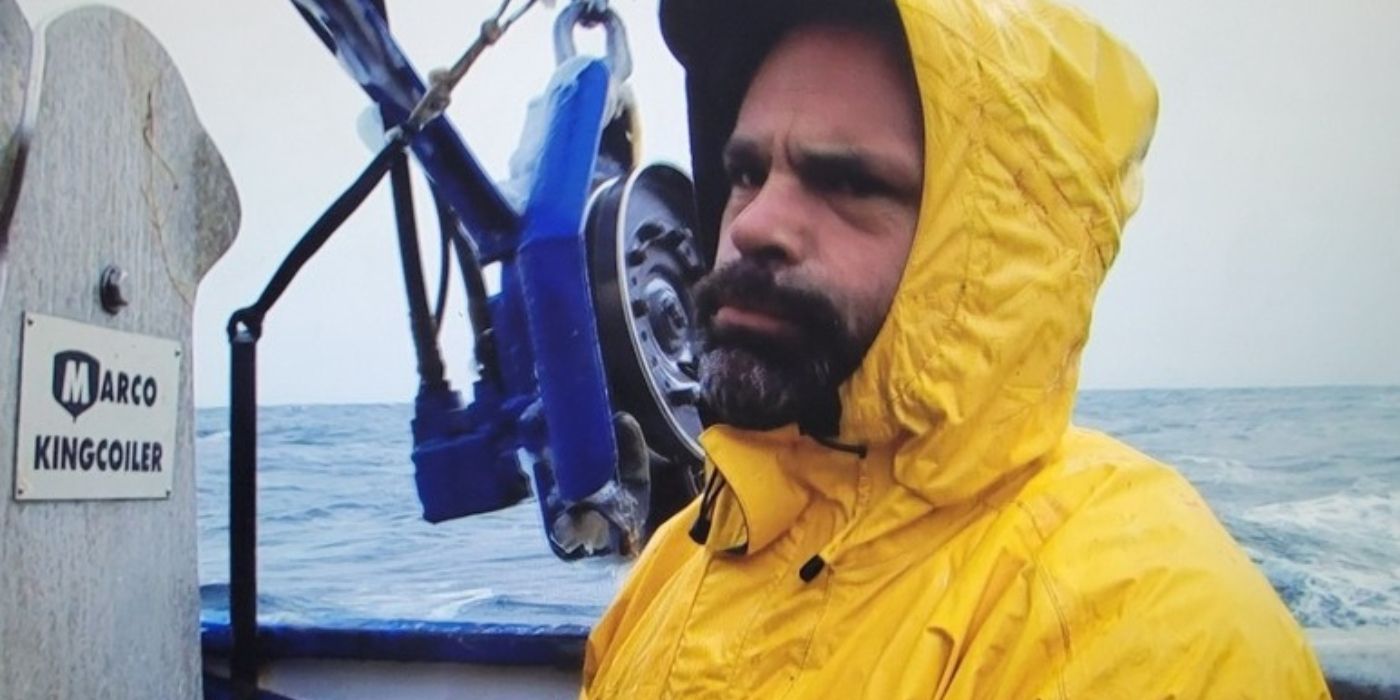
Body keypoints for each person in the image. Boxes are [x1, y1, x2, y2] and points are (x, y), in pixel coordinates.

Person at [583, 0, 1331, 697]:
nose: (752, 224)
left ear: (996, 248)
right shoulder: (677, 565)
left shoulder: (1149, 619)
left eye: (845, 180)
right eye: (748, 172)